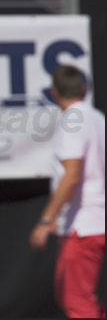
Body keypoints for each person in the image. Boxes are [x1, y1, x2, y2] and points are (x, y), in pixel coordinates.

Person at [29, 65, 105, 318]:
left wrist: (46, 219)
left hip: (84, 227)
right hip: (89, 223)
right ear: (84, 88)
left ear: (53, 92)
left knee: (77, 302)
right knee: (72, 297)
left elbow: (72, 175)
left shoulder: (74, 120)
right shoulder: (97, 118)